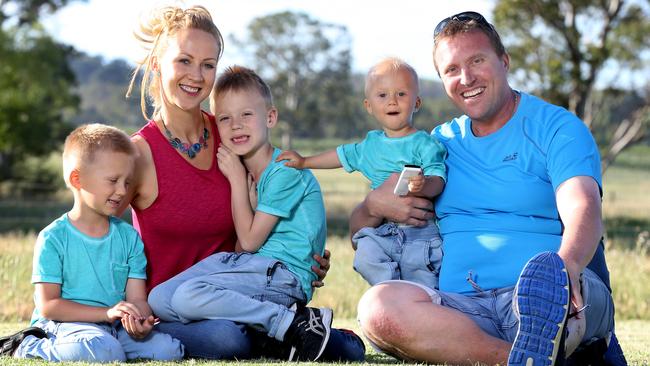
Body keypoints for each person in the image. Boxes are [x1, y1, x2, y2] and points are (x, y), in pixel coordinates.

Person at [351, 11, 618, 366]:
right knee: (377, 307)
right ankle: (517, 359)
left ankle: (545, 336)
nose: (466, 78)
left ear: (504, 62)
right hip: (463, 312)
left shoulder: (556, 128)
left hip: (557, 296)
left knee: (553, 298)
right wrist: (374, 205)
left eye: (477, 60)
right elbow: (362, 230)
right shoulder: (438, 145)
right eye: (451, 69)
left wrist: (565, 272)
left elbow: (584, 208)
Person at [122, 5, 365, 361]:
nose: (197, 75)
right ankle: (300, 332)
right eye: (184, 61)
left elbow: (273, 205)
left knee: (231, 335)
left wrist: (303, 250)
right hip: (172, 305)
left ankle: (297, 330)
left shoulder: (232, 134)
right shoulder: (138, 153)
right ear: (157, 63)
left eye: (208, 64)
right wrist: (133, 302)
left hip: (246, 287)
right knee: (226, 340)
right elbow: (107, 233)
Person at [148, 65, 333, 362]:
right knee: (158, 299)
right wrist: (244, 193)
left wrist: (236, 180)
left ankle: (292, 324)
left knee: (186, 297)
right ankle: (273, 333)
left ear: (269, 117)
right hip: (249, 268)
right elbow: (240, 249)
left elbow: (248, 244)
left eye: (246, 115)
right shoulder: (246, 173)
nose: (236, 125)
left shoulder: (284, 170)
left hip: (281, 275)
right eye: (225, 118)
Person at [2, 124, 184, 362]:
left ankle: (109, 346)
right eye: (113, 180)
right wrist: (106, 313)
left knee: (170, 350)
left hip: (115, 328)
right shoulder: (53, 238)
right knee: (104, 350)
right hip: (65, 325)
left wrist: (140, 318)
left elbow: (137, 298)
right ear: (77, 179)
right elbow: (49, 305)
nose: (121, 191)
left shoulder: (129, 238)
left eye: (127, 182)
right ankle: (27, 346)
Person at [278, 57, 446, 289]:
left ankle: (417, 303)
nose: (392, 102)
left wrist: (424, 184)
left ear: (417, 102)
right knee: (366, 255)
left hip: (420, 232)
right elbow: (340, 155)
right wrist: (305, 161)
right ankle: (391, 292)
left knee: (426, 285)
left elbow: (438, 180)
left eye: (401, 94)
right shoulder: (370, 145)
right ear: (369, 106)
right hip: (382, 231)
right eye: (382, 95)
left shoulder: (424, 143)